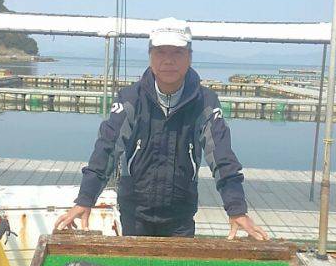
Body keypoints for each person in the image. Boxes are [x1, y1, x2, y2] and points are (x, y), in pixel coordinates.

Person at [55, 19, 268, 240]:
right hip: (134, 211)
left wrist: (236, 209)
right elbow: (107, 148)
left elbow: (222, 156)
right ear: (150, 56)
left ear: (189, 57)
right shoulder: (130, 98)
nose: (168, 60)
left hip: (181, 214)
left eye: (177, 52)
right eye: (160, 52)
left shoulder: (206, 102)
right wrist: (85, 198)